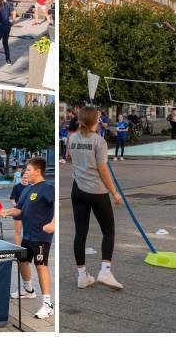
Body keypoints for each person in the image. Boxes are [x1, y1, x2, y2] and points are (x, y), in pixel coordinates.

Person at [69, 106, 124, 290]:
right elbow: (103, 170)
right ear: (95, 120)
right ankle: (105, 271)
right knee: (108, 231)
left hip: (77, 190)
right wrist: (115, 192)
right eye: (99, 117)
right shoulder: (99, 141)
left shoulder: (72, 138)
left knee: (80, 233)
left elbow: (73, 158)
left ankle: (82, 276)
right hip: (96, 191)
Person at [0, 157, 55, 319]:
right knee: (23, 261)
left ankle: (47, 304)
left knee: (40, 265)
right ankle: (28, 290)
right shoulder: (27, 189)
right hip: (28, 235)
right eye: (26, 169)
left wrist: (53, 224)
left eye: (29, 170)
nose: (26, 172)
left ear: (38, 171)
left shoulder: (48, 188)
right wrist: (7, 212)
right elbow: (19, 210)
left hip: (41, 236)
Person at [9, 164, 27, 247]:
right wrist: (16, 206)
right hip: (18, 212)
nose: (26, 179)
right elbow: (12, 199)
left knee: (28, 232)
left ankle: (27, 248)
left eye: (27, 177)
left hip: (29, 213)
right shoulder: (16, 187)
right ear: (21, 177)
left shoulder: (32, 187)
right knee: (18, 231)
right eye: (24, 177)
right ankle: (18, 248)